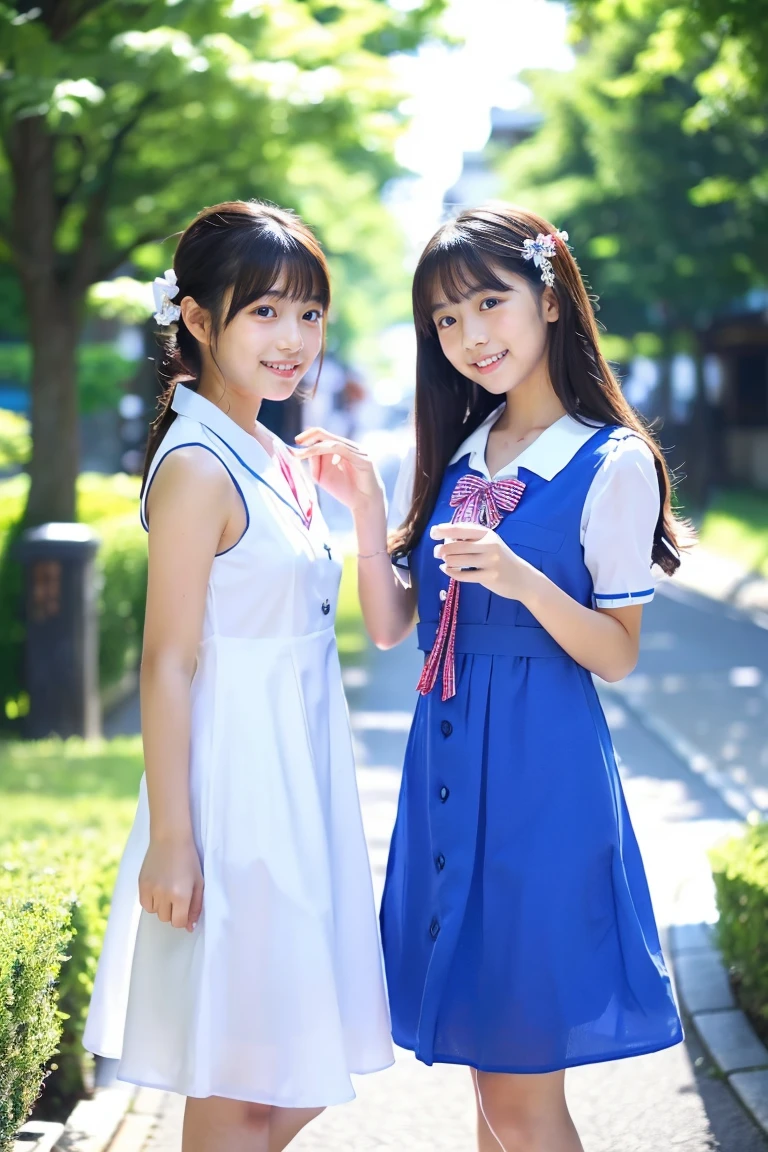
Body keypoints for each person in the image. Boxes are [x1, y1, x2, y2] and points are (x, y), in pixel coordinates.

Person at [295, 204, 685, 1152]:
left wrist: (520, 577)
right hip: (447, 783)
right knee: (486, 1087)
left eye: (489, 303)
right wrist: (375, 507)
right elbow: (397, 630)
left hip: (540, 791)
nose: (470, 336)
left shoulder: (610, 461)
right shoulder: (464, 449)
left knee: (519, 1099)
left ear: (550, 299)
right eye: (445, 319)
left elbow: (617, 652)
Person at [83, 200, 393, 1152]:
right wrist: (172, 842)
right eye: (263, 312)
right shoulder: (198, 467)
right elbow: (167, 662)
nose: (293, 339)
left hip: (298, 788)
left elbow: (364, 631)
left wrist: (368, 507)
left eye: (309, 313)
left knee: (287, 1066)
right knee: (243, 1082)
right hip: (236, 800)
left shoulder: (271, 453)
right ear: (198, 320)